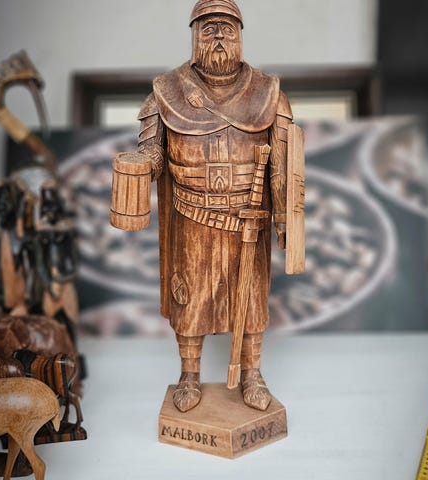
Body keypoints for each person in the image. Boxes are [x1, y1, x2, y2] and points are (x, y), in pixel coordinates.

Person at [132, 0, 295, 412]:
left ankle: (253, 373)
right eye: (209, 28)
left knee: (251, 300)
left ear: (240, 35)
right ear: (194, 36)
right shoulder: (165, 93)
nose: (219, 36)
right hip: (192, 218)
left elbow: (285, 163)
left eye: (227, 28)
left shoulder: (269, 93)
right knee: (190, 299)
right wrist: (141, 165)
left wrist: (286, 218)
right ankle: (188, 375)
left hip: (249, 219)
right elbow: (152, 152)